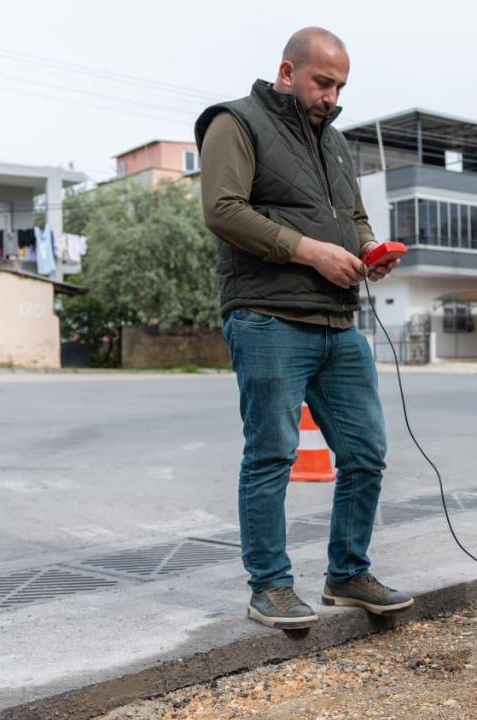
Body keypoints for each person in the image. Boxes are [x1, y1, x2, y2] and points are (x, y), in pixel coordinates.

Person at [194, 26, 412, 631]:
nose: (332, 97)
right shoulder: (234, 122)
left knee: (366, 452)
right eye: (322, 82)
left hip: (337, 321)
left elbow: (354, 216)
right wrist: (312, 252)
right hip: (267, 317)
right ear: (287, 72)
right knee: (271, 454)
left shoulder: (334, 141)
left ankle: (347, 573)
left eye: (340, 86)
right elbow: (223, 210)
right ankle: (270, 586)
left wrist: (368, 249)